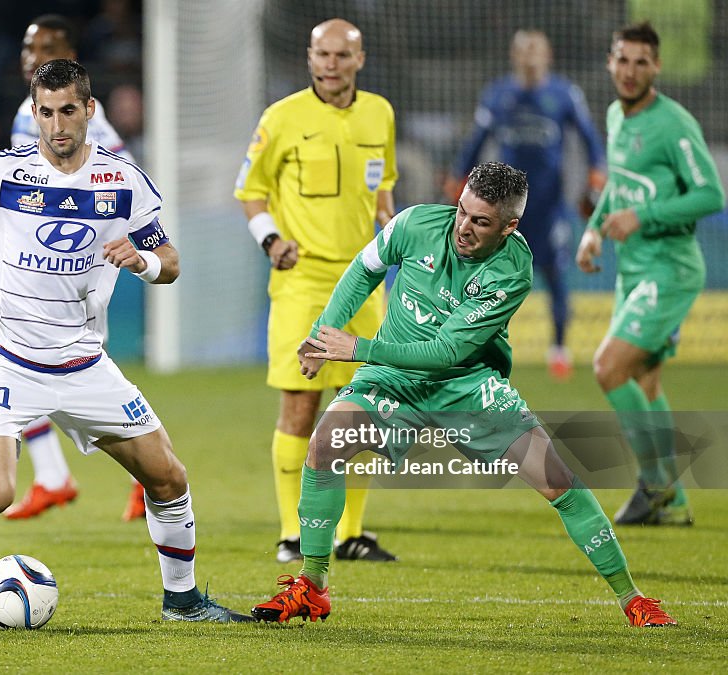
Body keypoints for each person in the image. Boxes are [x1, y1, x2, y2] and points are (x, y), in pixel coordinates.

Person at [0, 59, 252, 624]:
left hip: (82, 364)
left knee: (168, 476)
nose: (58, 125)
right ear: (34, 113)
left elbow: (170, 261)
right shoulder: (1, 172)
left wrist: (144, 261)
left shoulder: (124, 182)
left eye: (69, 111)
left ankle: (183, 602)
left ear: (89, 111)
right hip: (3, 356)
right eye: (46, 112)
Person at [251, 161, 677, 628]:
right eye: (462, 211)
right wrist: (319, 337)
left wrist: (359, 348)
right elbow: (362, 271)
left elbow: (448, 350)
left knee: (559, 481)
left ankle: (632, 598)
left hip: (467, 383)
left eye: (481, 221)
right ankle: (312, 587)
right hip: (394, 378)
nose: (464, 228)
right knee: (325, 444)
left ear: (509, 226)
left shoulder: (513, 269)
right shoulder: (414, 224)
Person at [0, 14, 145, 523]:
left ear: (68, 52)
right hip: (38, 269)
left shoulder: (88, 115)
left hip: (79, 271)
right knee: (24, 361)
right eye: (27, 46)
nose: (32, 54)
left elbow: (119, 169)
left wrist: (124, 241)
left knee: (80, 373)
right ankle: (52, 478)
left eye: (45, 46)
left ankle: (143, 476)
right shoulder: (32, 108)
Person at [234, 18, 397, 564]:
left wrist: (391, 231)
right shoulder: (281, 119)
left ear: (359, 59)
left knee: (367, 408)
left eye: (340, 55)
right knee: (300, 405)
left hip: (366, 280)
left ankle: (351, 533)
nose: (330, 64)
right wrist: (271, 239)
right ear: (309, 58)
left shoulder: (380, 114)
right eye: (321, 54)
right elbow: (251, 192)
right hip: (302, 281)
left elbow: (382, 193)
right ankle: (292, 533)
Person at [575, 21, 725, 527]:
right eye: (624, 60)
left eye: (642, 62)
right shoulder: (617, 115)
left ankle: (655, 484)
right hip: (633, 269)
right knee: (645, 380)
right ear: (610, 63)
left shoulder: (674, 123)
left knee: (608, 367)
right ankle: (674, 503)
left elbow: (711, 195)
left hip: (670, 268)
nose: (631, 71)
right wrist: (594, 229)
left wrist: (645, 216)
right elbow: (619, 185)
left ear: (656, 67)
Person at [444, 29, 606, 380]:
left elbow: (591, 139)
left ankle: (559, 348)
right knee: (481, 272)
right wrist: (457, 178)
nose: (530, 57)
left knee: (553, 271)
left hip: (548, 205)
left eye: (536, 50)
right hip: (504, 205)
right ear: (514, 56)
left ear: (548, 55)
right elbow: (476, 141)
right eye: (524, 50)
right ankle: (468, 345)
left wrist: (596, 176)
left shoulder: (564, 94)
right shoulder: (498, 95)